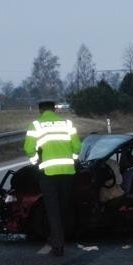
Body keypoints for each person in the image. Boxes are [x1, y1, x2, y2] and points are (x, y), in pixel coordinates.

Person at [24, 99, 81, 256]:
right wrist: (73, 159)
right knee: (62, 208)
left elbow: (28, 148)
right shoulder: (67, 124)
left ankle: (58, 244)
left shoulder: (36, 125)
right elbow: (77, 146)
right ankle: (57, 237)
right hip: (67, 172)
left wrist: (36, 162)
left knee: (52, 209)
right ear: (55, 109)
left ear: (40, 110)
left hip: (48, 173)